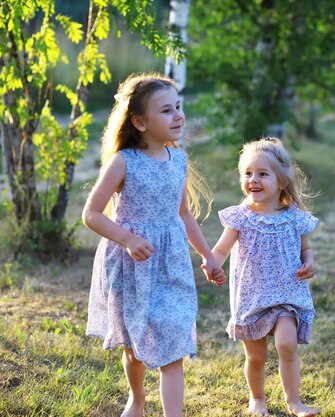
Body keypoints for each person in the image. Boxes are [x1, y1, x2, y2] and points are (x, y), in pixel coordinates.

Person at [82, 72, 225, 417]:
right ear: (139, 121)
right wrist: (128, 238)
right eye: (166, 110)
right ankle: (137, 399)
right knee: (135, 344)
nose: (178, 115)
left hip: (171, 262)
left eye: (178, 107)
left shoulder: (179, 160)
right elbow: (92, 214)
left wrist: (208, 256)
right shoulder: (123, 162)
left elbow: (184, 216)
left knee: (172, 341)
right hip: (131, 264)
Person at [209, 137, 320, 417]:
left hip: (286, 294)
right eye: (247, 173)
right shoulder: (241, 217)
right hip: (252, 296)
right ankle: (257, 399)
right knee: (256, 356)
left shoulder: (295, 217)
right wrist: (212, 264)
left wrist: (309, 263)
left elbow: (306, 249)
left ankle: (293, 401)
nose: (252, 179)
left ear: (281, 181)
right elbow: (221, 249)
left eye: (262, 174)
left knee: (287, 344)